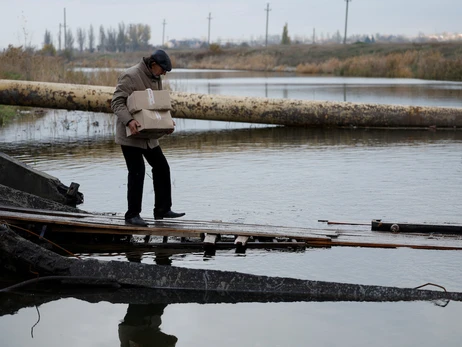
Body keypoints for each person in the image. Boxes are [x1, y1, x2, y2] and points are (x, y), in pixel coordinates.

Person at [111, 50, 185, 227]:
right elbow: (116, 102)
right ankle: (132, 215)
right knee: (137, 172)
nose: (164, 73)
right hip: (131, 135)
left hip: (149, 135)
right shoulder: (130, 76)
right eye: (163, 69)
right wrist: (129, 121)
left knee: (162, 168)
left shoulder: (156, 78)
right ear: (153, 64)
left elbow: (156, 106)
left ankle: (162, 210)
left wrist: (165, 123)